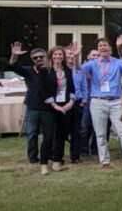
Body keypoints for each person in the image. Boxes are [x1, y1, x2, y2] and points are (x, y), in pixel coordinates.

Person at [80, 38, 122, 169]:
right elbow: (78, 70)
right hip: (98, 101)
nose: (103, 47)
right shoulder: (92, 63)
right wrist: (76, 56)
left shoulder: (118, 62)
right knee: (100, 133)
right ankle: (105, 161)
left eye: (105, 45)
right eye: (100, 46)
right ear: (98, 49)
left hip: (116, 101)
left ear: (110, 48)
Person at [2, 42, 52, 167]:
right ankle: (33, 157)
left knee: (49, 134)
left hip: (49, 107)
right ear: (32, 59)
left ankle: (49, 155)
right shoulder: (28, 71)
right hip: (33, 107)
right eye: (35, 58)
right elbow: (13, 65)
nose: (39, 59)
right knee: (32, 134)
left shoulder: (52, 70)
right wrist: (14, 55)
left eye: (41, 56)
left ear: (46, 56)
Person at [40, 46, 75, 174]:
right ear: (51, 56)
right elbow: (42, 91)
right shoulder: (45, 71)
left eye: (60, 54)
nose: (58, 57)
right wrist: (55, 105)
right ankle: (43, 164)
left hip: (65, 106)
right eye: (55, 54)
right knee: (48, 136)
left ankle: (56, 162)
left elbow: (71, 88)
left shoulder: (67, 70)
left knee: (61, 135)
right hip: (50, 107)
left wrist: (71, 102)